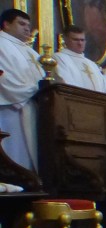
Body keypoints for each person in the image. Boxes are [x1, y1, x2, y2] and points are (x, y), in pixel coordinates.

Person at [0, 9, 43, 171]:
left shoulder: (30, 51)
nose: (27, 28)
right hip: (12, 107)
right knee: (16, 152)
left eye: (28, 25)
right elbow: (3, 77)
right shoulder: (2, 43)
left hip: (33, 105)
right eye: (21, 23)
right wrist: (32, 91)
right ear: (6, 24)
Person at [53, 25, 104, 92]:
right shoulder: (59, 58)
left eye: (82, 40)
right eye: (75, 40)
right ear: (66, 40)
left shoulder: (92, 64)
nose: (80, 43)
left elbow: (103, 88)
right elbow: (65, 82)